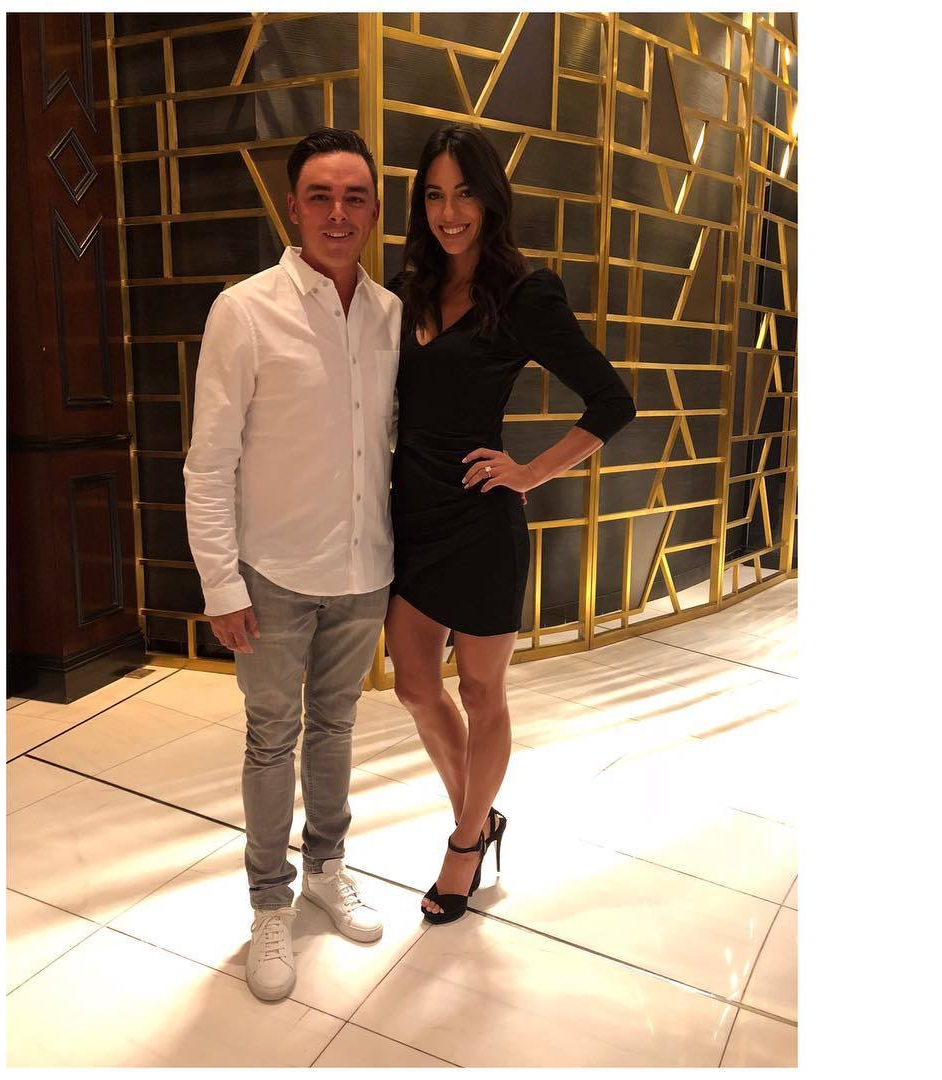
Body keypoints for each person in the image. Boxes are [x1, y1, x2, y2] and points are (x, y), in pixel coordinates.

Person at [386, 124, 636, 924]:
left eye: (464, 193)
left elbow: (612, 401)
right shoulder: (407, 291)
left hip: (480, 522)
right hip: (413, 514)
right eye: (434, 195)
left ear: (491, 199)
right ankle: (482, 813)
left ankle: (464, 844)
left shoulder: (525, 294)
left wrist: (529, 472)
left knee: (480, 689)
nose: (449, 212)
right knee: (415, 685)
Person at [183, 128, 402, 1001]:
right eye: (320, 195)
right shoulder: (244, 310)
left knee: (337, 728)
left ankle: (326, 869)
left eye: (354, 197)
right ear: (292, 207)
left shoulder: (391, 316)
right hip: (272, 572)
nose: (337, 213)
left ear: (374, 210)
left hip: (363, 569)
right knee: (271, 739)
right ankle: (268, 904)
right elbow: (210, 460)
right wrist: (221, 583)